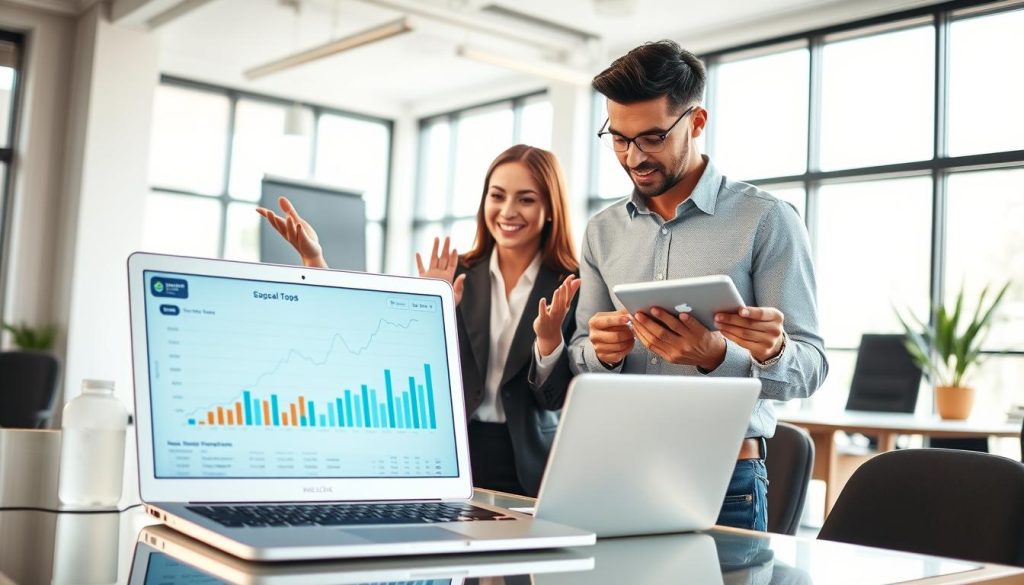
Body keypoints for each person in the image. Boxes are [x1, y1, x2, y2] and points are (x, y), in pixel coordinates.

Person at [547, 40, 828, 531]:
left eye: (652, 138)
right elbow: (579, 354)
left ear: (697, 122)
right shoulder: (602, 231)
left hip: (723, 479)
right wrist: (603, 353)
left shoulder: (766, 221)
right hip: (616, 468)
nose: (634, 157)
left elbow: (810, 369)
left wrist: (719, 356)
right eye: (618, 138)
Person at [257, 144, 581, 497]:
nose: (507, 211)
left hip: (532, 468)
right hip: (452, 455)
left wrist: (549, 342)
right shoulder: (454, 274)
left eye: (526, 199)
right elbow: (381, 347)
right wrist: (314, 259)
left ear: (551, 208)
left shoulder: (572, 283)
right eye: (497, 196)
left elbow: (556, 399)